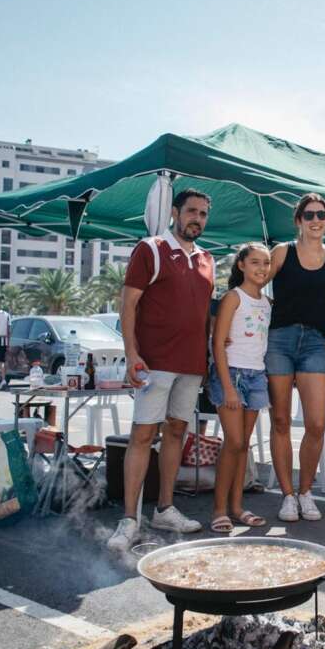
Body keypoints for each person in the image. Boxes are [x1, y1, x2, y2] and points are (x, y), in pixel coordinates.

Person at [108, 189, 216, 552]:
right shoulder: (150, 249)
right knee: (142, 436)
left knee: (177, 434)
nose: (196, 219)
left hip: (191, 365)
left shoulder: (207, 259)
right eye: (191, 211)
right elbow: (129, 303)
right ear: (175, 212)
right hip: (154, 363)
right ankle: (128, 520)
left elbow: (203, 317)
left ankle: (165, 509)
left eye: (202, 213)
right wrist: (131, 353)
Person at [266, 193, 325, 522]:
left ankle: (306, 492)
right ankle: (287, 496)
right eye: (309, 215)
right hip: (279, 340)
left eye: (321, 215)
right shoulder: (283, 251)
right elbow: (254, 284)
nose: (316, 220)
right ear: (298, 220)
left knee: (316, 424)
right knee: (281, 421)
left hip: (314, 341)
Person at [206, 243, 272, 533]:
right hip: (231, 375)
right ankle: (219, 510)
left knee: (244, 444)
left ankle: (236, 507)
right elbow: (217, 343)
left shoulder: (267, 303)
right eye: (255, 262)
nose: (261, 268)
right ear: (241, 265)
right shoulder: (233, 297)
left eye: (266, 263)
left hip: (257, 376)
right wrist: (229, 388)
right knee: (232, 442)